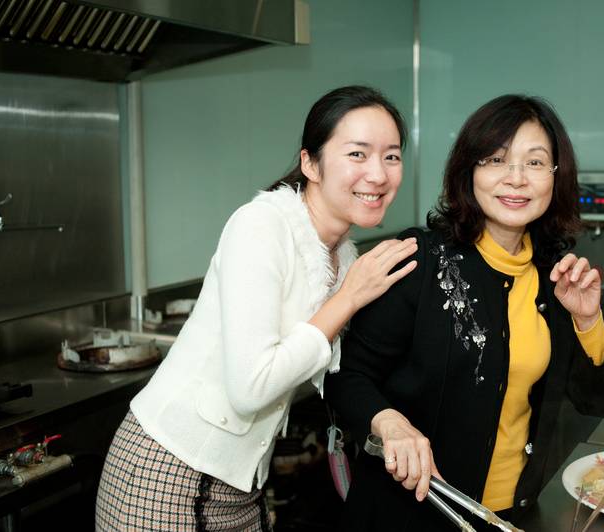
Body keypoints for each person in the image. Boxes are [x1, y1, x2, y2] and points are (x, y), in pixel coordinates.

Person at [94, 85, 418, 531]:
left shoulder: (343, 257)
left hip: (242, 485)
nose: (378, 174)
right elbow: (251, 387)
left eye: (392, 156)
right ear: (311, 163)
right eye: (357, 154)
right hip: (165, 474)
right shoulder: (261, 225)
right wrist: (348, 298)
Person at [325, 94, 604, 531]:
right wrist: (388, 422)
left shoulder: (555, 275)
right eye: (496, 160)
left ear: (556, 177)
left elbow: (600, 401)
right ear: (469, 171)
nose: (516, 179)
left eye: (535, 162)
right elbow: (346, 376)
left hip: (509, 516)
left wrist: (587, 321)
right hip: (409, 515)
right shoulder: (419, 261)